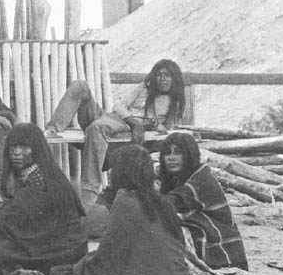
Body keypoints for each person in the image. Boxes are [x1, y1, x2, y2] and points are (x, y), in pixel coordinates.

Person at [49, 144, 253, 275]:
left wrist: (83, 266)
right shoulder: (157, 199)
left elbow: (107, 258)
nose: (110, 173)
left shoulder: (125, 200)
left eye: (114, 168)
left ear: (124, 171)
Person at [0, 123, 89, 275]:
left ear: (36, 149)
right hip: (44, 241)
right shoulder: (33, 174)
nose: (17, 152)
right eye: (13, 147)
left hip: (58, 251)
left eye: (24, 147)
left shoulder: (39, 180)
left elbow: (8, 219)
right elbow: (12, 217)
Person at [43, 58, 192, 204]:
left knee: (96, 128)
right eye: (159, 75)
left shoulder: (175, 101)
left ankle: (89, 194)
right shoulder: (144, 88)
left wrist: (151, 124)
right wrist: (133, 121)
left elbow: (164, 130)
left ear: (174, 78)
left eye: (167, 75)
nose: (162, 79)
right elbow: (118, 106)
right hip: (118, 120)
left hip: (123, 130)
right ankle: (53, 128)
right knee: (80, 86)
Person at [158, 131, 249, 271]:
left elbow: (170, 202)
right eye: (167, 153)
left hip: (222, 245)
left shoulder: (201, 178)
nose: (171, 158)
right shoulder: (175, 178)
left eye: (177, 153)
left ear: (189, 155)